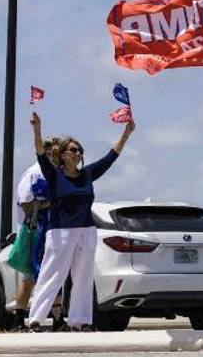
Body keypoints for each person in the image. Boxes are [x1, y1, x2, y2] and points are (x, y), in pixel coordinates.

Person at [25, 111, 135, 332]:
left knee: (83, 278)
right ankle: (35, 320)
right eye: (73, 150)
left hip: (86, 231)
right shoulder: (55, 175)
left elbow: (110, 157)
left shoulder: (87, 175)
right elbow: (40, 153)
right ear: (63, 155)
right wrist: (37, 130)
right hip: (60, 232)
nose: (77, 153)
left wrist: (126, 133)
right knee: (51, 275)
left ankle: (80, 321)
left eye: (79, 150)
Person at [11, 141, 62, 327]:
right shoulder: (34, 174)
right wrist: (50, 203)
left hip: (52, 229)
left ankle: (57, 319)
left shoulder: (55, 173)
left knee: (53, 275)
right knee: (30, 277)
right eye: (53, 154)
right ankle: (19, 320)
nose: (56, 158)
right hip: (35, 230)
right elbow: (25, 204)